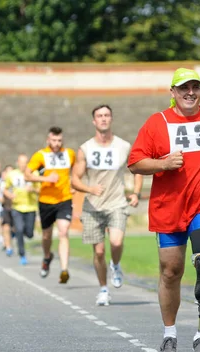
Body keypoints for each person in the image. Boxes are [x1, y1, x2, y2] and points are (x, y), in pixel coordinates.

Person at [127, 68, 200, 352]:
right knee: (170, 271)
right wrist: (163, 164)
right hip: (168, 208)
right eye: (183, 88)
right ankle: (169, 335)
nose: (190, 92)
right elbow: (136, 162)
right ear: (173, 92)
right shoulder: (158, 123)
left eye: (195, 87)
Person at [71, 104, 143, 306]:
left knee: (117, 242)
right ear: (94, 121)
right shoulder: (85, 149)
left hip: (117, 203)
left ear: (111, 119)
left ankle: (116, 264)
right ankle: (103, 289)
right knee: (99, 252)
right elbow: (74, 179)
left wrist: (135, 193)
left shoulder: (123, 146)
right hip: (93, 206)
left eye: (106, 115)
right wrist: (88, 189)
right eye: (99, 116)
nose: (103, 119)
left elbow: (137, 169)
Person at [25, 126, 75, 283]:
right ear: (48, 140)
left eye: (59, 140)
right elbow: (27, 175)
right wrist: (45, 179)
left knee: (63, 231)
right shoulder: (41, 155)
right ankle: (47, 257)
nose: (57, 143)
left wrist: (74, 184)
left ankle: (64, 269)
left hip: (64, 199)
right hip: (46, 201)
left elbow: (77, 171)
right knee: (46, 235)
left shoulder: (69, 154)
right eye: (54, 140)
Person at [4, 154, 39, 265]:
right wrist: (9, 195)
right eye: (21, 162)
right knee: (19, 229)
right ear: (17, 163)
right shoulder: (12, 174)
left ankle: (23, 233)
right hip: (17, 207)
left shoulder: (34, 173)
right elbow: (4, 189)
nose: (23, 165)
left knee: (29, 233)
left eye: (25, 162)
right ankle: (22, 254)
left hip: (31, 207)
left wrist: (32, 189)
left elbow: (40, 190)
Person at [0, 165, 15, 256]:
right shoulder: (2, 183)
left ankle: (11, 236)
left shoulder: (17, 182)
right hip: (5, 207)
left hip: (16, 207)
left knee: (15, 228)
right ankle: (8, 247)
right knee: (6, 226)